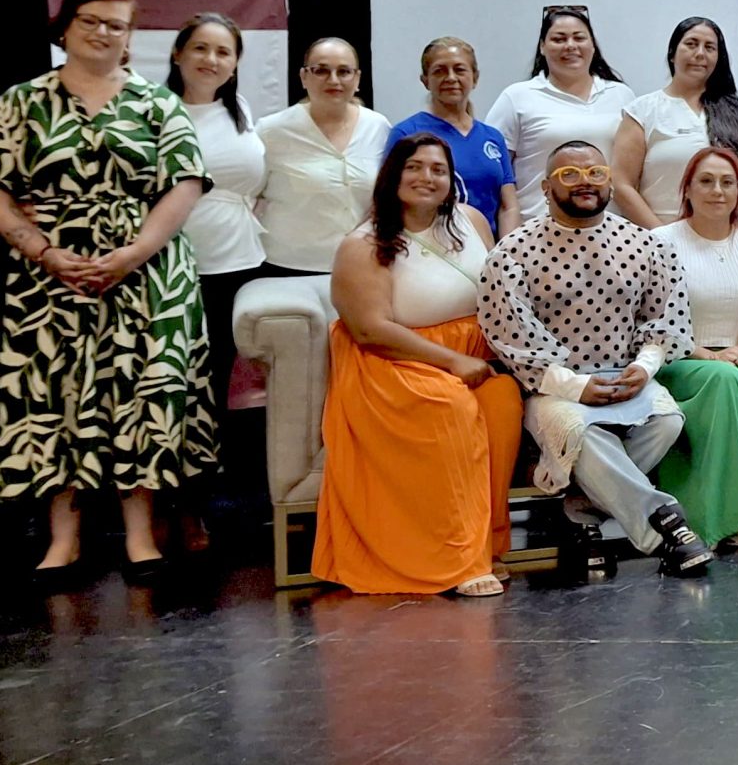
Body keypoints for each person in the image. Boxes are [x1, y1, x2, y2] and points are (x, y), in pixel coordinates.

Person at [2, 0, 211, 584]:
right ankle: (63, 538)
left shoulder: (157, 103)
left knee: (144, 395)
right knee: (53, 395)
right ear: (64, 28)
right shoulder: (20, 102)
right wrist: (43, 251)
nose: (102, 33)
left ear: (129, 38)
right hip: (49, 275)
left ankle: (141, 535)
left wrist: (133, 253)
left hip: (146, 270)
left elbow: (185, 183)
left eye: (116, 25)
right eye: (91, 21)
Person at [475, 141, 713, 578]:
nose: (584, 182)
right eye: (569, 175)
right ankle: (664, 526)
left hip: (626, 376)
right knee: (580, 433)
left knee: (667, 421)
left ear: (610, 182)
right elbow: (509, 335)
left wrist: (644, 367)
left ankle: (579, 510)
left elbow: (666, 315)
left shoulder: (644, 244)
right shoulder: (513, 251)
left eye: (595, 173)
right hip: (551, 386)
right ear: (545, 187)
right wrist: (574, 386)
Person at [311, 132, 523, 597]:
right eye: (414, 167)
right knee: (450, 409)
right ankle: (456, 559)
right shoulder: (363, 243)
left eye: (438, 169)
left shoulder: (471, 221)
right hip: (394, 362)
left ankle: (486, 544)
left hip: (473, 356)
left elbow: (497, 294)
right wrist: (452, 361)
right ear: (392, 176)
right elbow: (370, 330)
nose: (426, 177)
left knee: (503, 401)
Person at [648, 147, 738, 549]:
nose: (718, 190)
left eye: (728, 182)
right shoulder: (661, 241)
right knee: (722, 377)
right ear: (687, 190)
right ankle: (721, 519)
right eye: (706, 181)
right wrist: (708, 354)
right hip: (680, 357)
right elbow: (650, 320)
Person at [167, 14, 269, 479]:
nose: (211, 60)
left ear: (235, 63)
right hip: (175, 265)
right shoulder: (157, 112)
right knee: (180, 379)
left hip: (241, 263)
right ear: (178, 54)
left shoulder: (240, 110)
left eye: (224, 52)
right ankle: (175, 484)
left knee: (227, 378)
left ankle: (216, 482)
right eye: (201, 48)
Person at [255, 37, 392, 273]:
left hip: (363, 263)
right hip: (289, 267)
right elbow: (248, 195)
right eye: (321, 71)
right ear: (304, 77)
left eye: (344, 71)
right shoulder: (271, 131)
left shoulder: (378, 127)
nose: (334, 80)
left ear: (357, 79)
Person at [486, 6, 635, 220]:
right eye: (559, 39)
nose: (570, 46)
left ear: (593, 45)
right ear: (542, 47)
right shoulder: (516, 97)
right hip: (537, 227)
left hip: (609, 228)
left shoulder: (621, 95)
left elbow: (632, 172)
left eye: (579, 38)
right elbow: (495, 172)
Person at [612, 17, 738, 229]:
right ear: (672, 53)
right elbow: (621, 184)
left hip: (732, 238)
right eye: (691, 44)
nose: (700, 53)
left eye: (709, 47)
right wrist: (662, 238)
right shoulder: (642, 111)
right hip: (660, 237)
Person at [389, 37, 520, 236]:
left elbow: (508, 206)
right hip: (430, 247)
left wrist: (506, 250)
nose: (450, 78)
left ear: (475, 77)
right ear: (425, 80)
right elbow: (389, 200)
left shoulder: (492, 137)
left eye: (459, 70)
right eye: (439, 71)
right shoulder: (407, 133)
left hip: (488, 248)